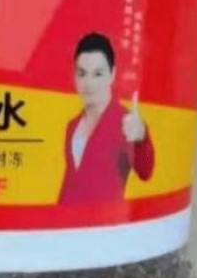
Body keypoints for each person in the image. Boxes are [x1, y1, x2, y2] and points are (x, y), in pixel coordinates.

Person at [59, 33, 155, 204]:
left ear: (112, 74)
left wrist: (141, 136)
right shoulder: (72, 126)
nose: (89, 84)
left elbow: (145, 171)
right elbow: (70, 182)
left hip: (104, 219)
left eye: (97, 74)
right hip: (68, 219)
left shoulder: (125, 123)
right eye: (82, 73)